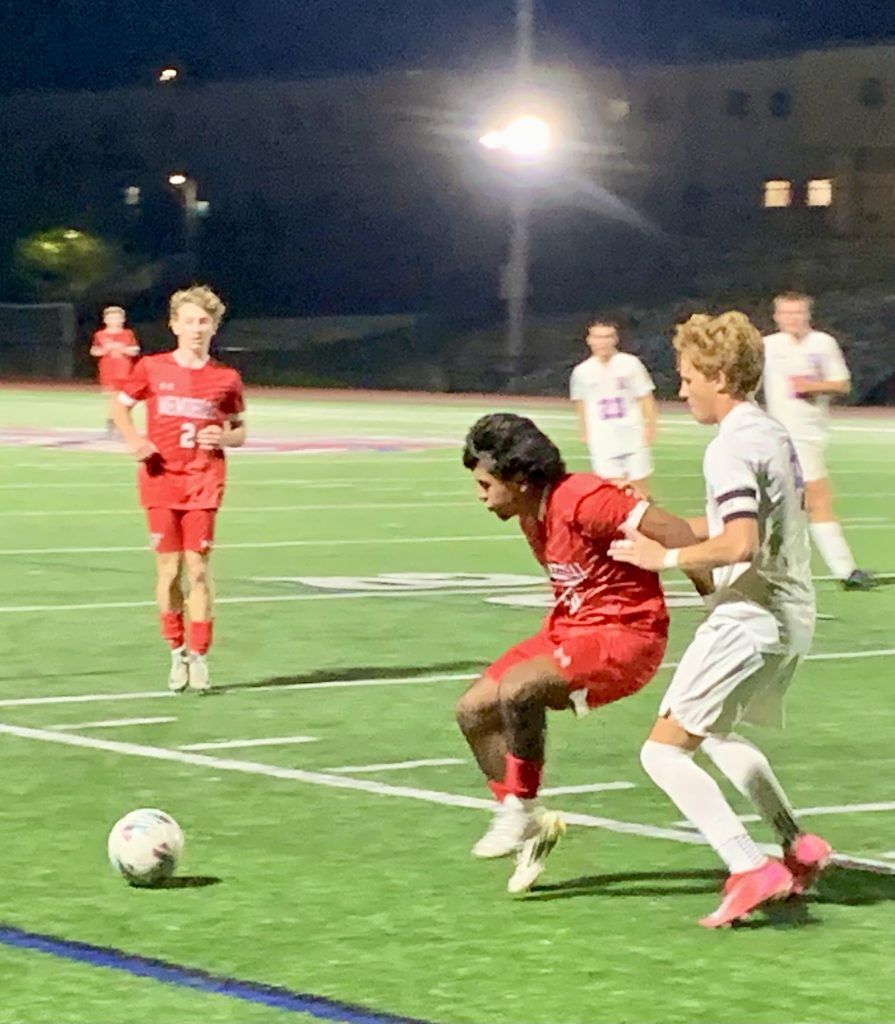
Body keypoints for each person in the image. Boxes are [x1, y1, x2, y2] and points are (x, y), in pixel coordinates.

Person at [611, 310, 830, 929]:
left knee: (662, 754)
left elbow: (738, 543)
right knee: (718, 735)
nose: (681, 390)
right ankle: (797, 846)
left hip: (751, 617)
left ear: (720, 376)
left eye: (688, 377)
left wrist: (663, 558)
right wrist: (654, 522)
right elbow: (737, 524)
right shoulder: (769, 431)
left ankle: (748, 866)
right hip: (790, 614)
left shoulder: (730, 444)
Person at [458, 413, 702, 894]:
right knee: (472, 711)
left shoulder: (586, 500)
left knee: (520, 688)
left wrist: (715, 600)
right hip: (571, 628)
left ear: (520, 479)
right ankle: (529, 821)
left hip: (626, 635)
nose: (480, 495)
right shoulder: (532, 512)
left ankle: (519, 808)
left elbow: (676, 532)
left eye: (486, 484)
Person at [113, 285, 245, 693]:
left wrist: (223, 438)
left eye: (203, 321)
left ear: (214, 327)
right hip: (159, 480)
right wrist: (134, 440)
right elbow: (120, 406)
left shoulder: (225, 378)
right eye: (189, 321)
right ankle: (176, 650)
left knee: (199, 570)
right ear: (174, 325)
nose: (196, 328)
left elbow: (239, 431)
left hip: (203, 481)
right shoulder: (151, 368)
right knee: (169, 572)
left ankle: (200, 655)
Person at [763, 292, 873, 590]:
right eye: (786, 313)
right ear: (776, 316)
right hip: (783, 435)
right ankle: (845, 570)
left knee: (793, 504)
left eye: (798, 312)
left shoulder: (823, 343)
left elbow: (842, 384)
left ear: (808, 314)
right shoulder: (768, 346)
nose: (792, 318)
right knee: (815, 501)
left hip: (811, 434)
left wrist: (813, 386)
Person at [570, 320, 658, 497]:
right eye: (598, 337)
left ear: (615, 339)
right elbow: (580, 403)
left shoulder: (630, 364)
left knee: (640, 488)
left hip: (632, 434)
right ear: (589, 340)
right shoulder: (582, 371)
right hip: (602, 437)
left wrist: (651, 425)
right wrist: (584, 431)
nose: (602, 342)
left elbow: (645, 396)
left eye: (607, 337)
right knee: (613, 489)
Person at [90, 305, 140, 437]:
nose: (114, 321)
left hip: (124, 371)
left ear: (123, 319)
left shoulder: (127, 334)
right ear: (105, 320)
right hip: (108, 371)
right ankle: (113, 427)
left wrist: (123, 350)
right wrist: (104, 350)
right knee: (113, 399)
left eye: (117, 318)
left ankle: (122, 425)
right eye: (111, 318)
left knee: (125, 400)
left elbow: (135, 350)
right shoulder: (100, 335)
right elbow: (94, 351)